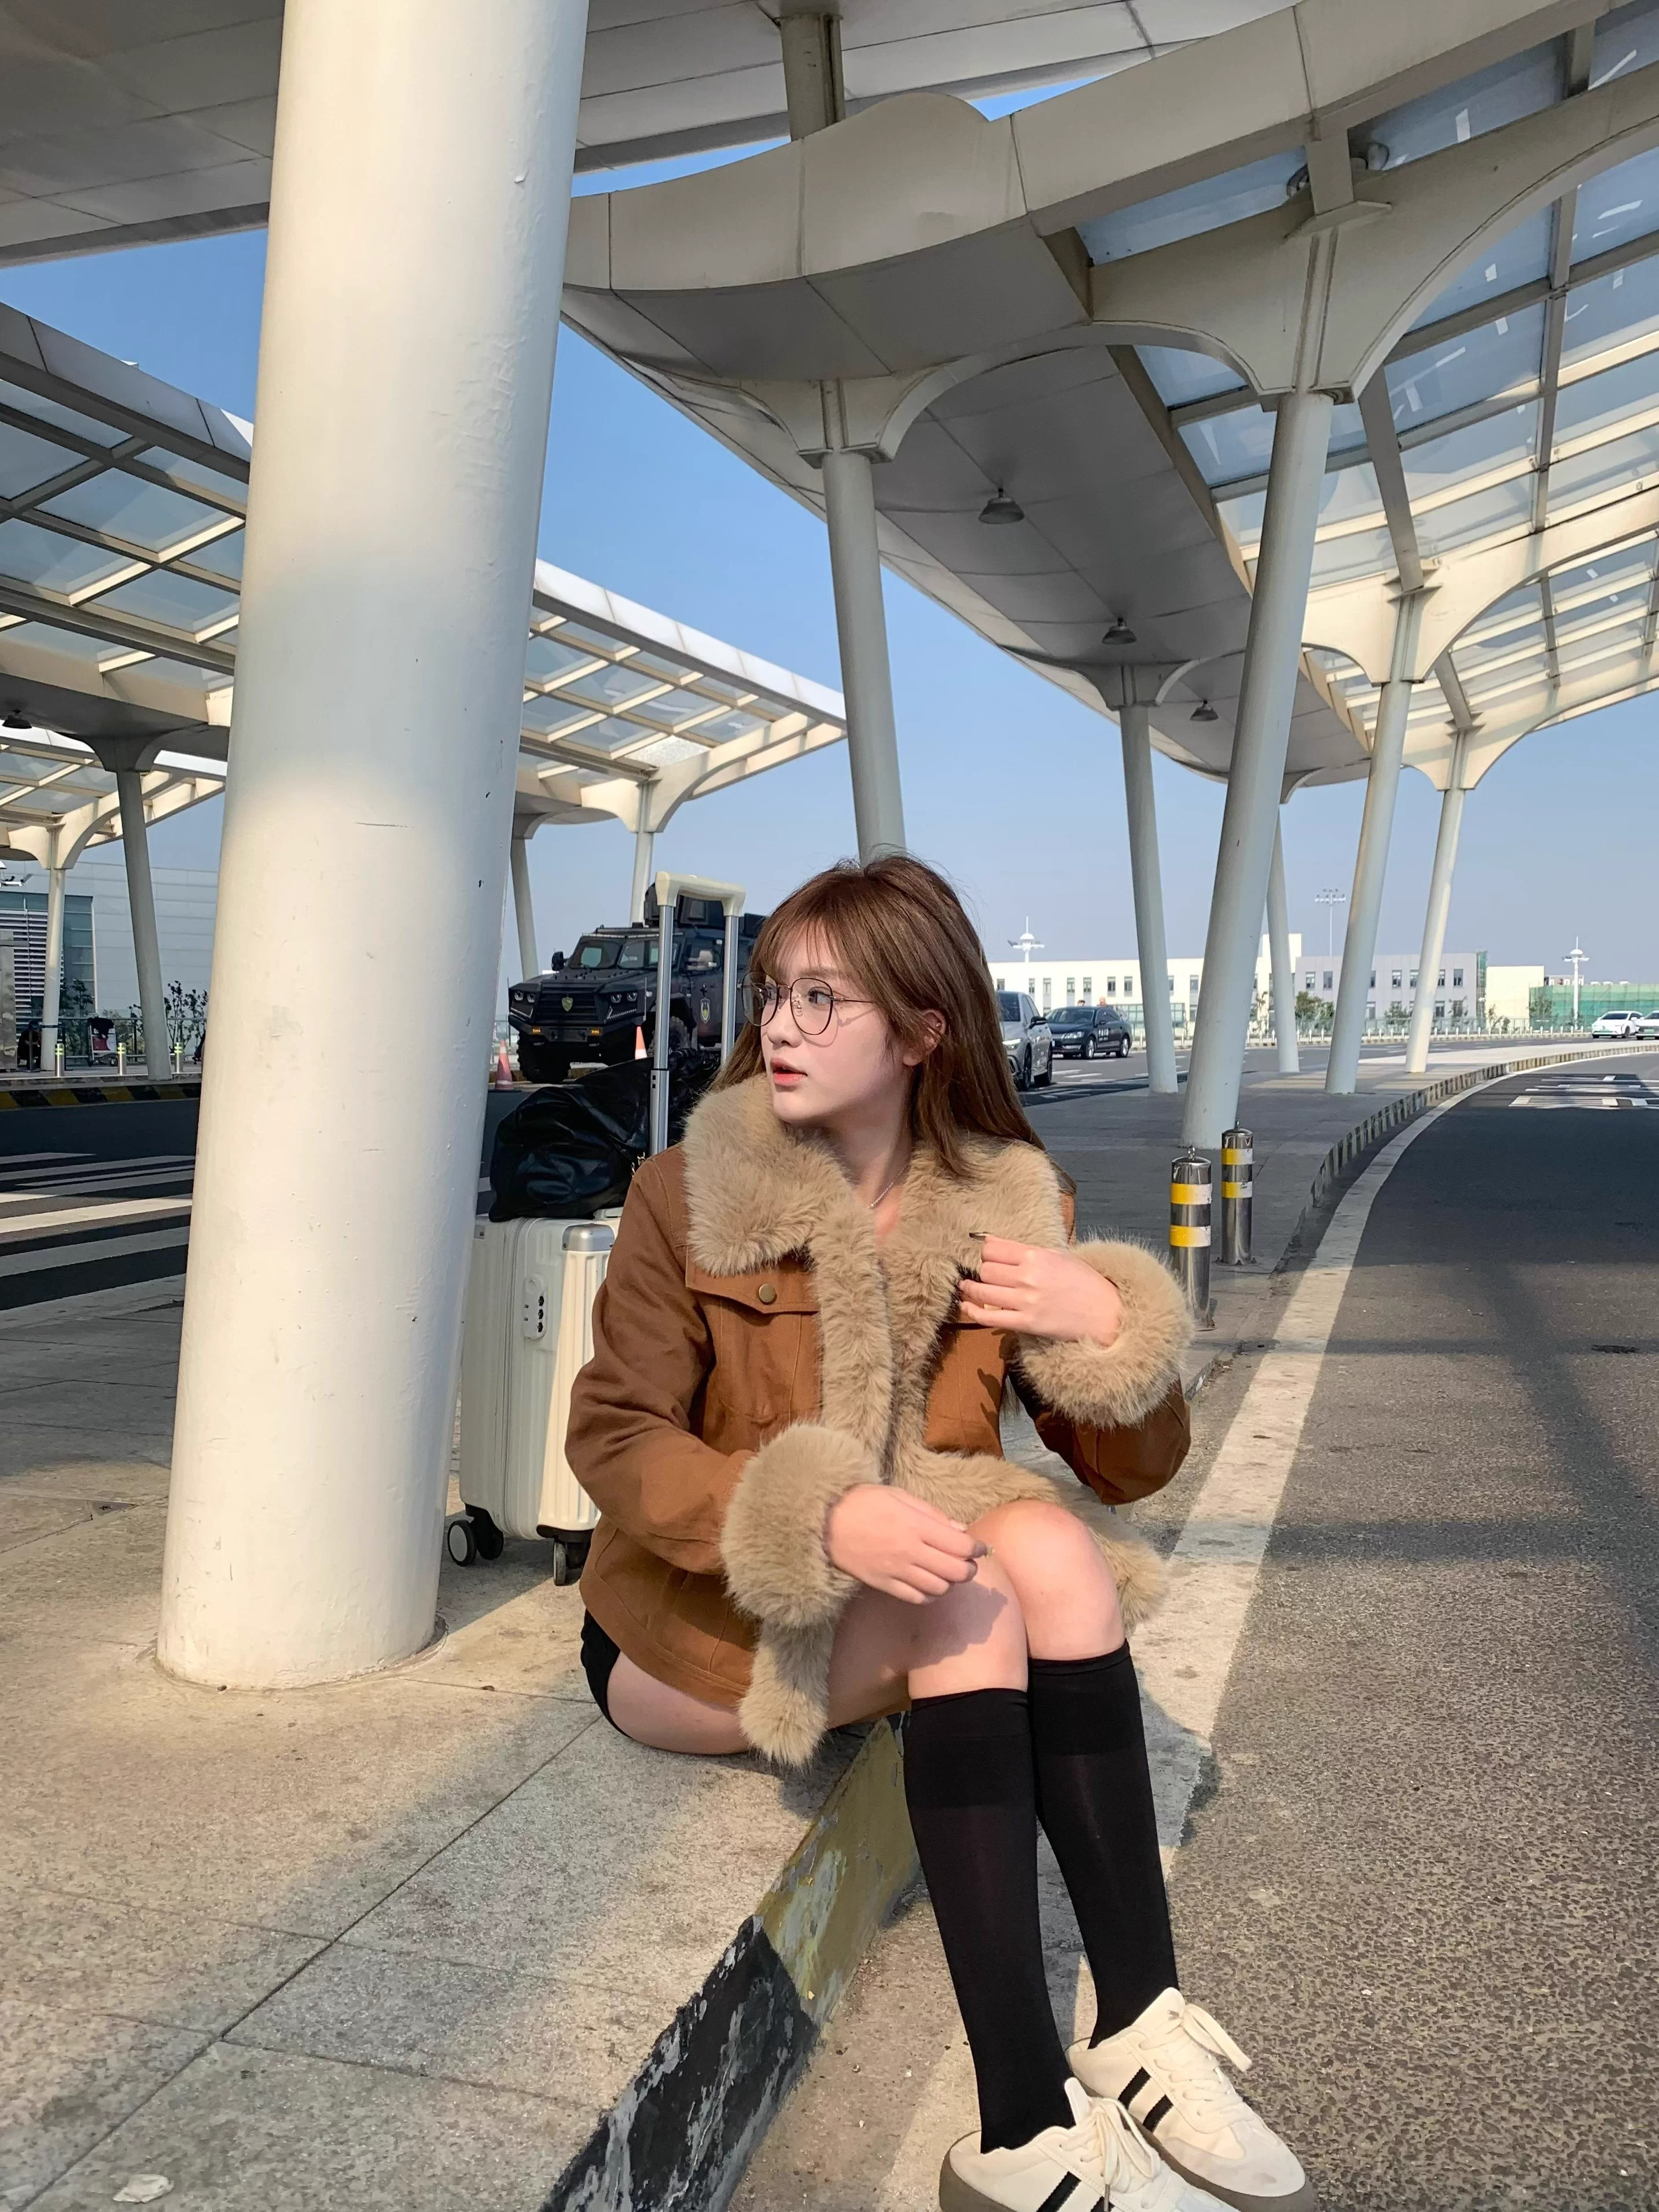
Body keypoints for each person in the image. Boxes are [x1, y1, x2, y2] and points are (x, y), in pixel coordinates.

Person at [567, 855, 1314, 2212]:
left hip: (901, 1587)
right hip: (696, 1627)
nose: (781, 1026)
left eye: (823, 1000)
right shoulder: (690, 1194)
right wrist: (814, 1512)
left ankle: (1138, 2021)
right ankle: (1021, 2120)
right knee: (979, 1605)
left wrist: (1107, 1328)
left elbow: (1131, 1473)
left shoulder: (1008, 1206)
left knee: (1060, 1556)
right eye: (774, 994)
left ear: (922, 1032)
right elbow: (614, 1437)